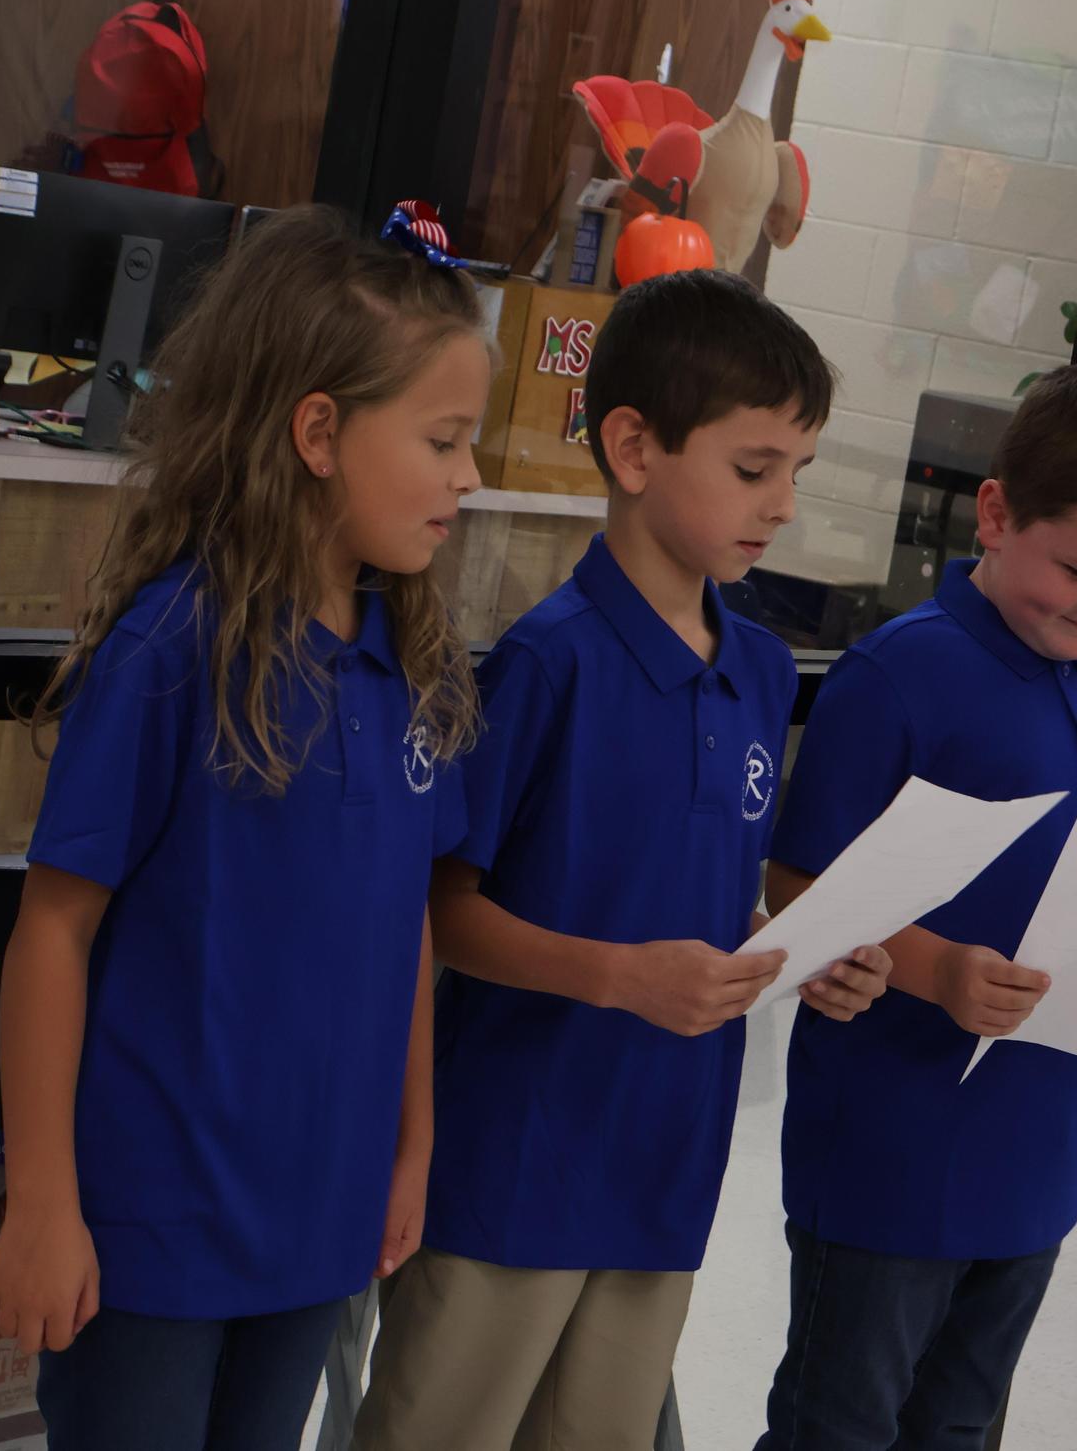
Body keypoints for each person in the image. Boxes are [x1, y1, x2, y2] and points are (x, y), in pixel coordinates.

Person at [352, 270, 890, 1451]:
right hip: (515, 1162)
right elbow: (441, 912)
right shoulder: (549, 665)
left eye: (798, 472)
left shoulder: (760, 672)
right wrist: (619, 977)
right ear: (634, 449)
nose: (782, 506)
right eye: (754, 469)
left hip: (665, 1165)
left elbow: (708, 892)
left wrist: (801, 955)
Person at [0, 204, 487, 1451]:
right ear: (317, 433)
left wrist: (414, 1147)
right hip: (154, 1229)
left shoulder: (413, 664)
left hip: (321, 1222)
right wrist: (43, 1205)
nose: (468, 478)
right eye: (442, 441)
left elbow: (408, 934)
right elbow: (52, 931)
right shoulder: (173, 648)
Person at [755, 363, 1077, 1450]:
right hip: (891, 1144)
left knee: (959, 1425)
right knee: (839, 1424)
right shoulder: (898, 675)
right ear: (996, 515)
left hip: (1041, 1138)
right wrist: (940, 970)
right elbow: (799, 885)